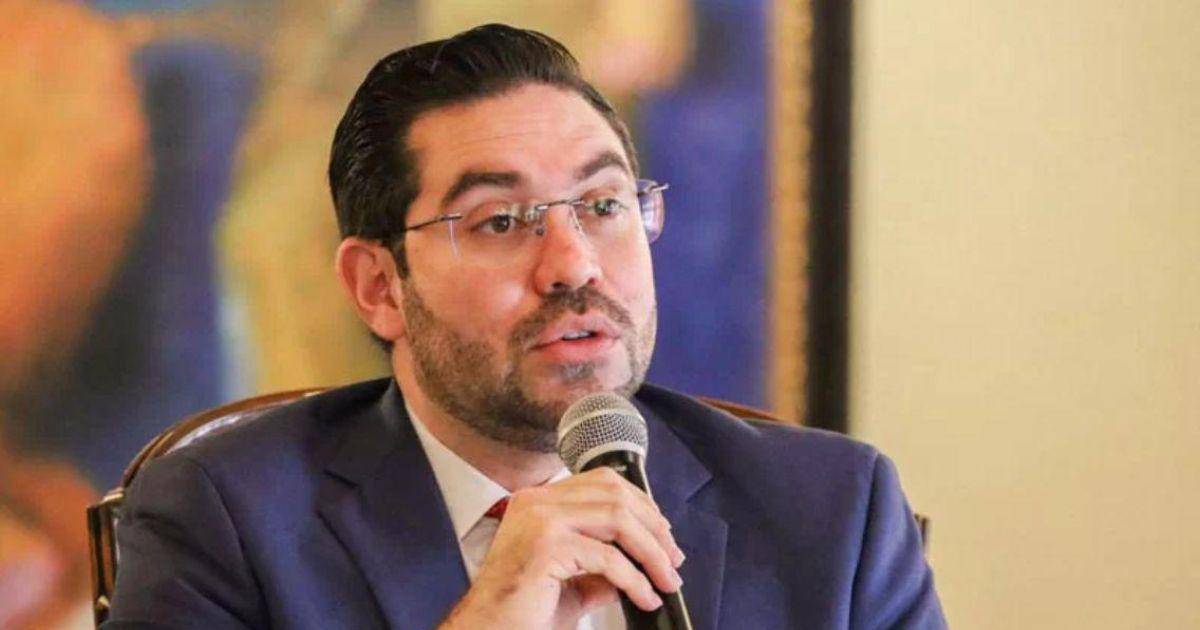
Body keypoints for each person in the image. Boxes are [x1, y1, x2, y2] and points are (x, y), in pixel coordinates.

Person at [105, 24, 946, 629]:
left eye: (604, 206)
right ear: (378, 287)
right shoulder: (225, 516)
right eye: (501, 222)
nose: (573, 266)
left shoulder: (833, 513)